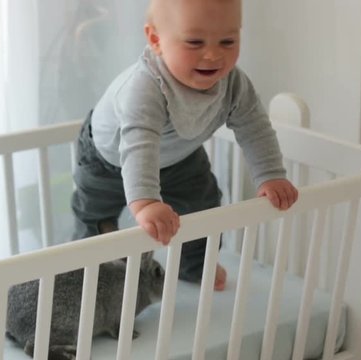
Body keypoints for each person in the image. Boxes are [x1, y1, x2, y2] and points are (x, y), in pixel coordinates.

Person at [70, 0, 298, 290]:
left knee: (203, 203)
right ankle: (84, 279)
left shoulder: (234, 84)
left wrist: (270, 174)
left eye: (228, 41)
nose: (213, 54)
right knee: (94, 214)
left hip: (179, 155)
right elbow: (139, 144)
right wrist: (147, 201)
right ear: (155, 40)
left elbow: (254, 126)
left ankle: (195, 265)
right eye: (194, 42)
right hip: (108, 157)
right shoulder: (145, 87)